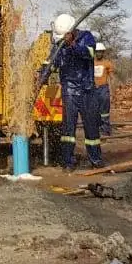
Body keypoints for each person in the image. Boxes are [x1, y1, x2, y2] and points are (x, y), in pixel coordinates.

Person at [38, 13, 103, 170]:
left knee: (91, 127)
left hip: (87, 89)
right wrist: (42, 75)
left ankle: (95, 160)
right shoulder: (60, 45)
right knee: (68, 129)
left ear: (72, 31)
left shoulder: (86, 37)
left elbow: (90, 54)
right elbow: (52, 63)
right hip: (69, 90)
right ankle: (68, 162)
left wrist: (73, 45)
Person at [94, 42, 113, 136]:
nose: (99, 53)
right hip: (93, 89)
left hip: (103, 89)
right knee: (95, 110)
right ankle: (96, 129)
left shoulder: (107, 63)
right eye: (97, 51)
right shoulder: (91, 63)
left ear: (103, 52)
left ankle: (105, 129)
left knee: (104, 111)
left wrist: (111, 92)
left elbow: (111, 78)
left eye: (100, 52)